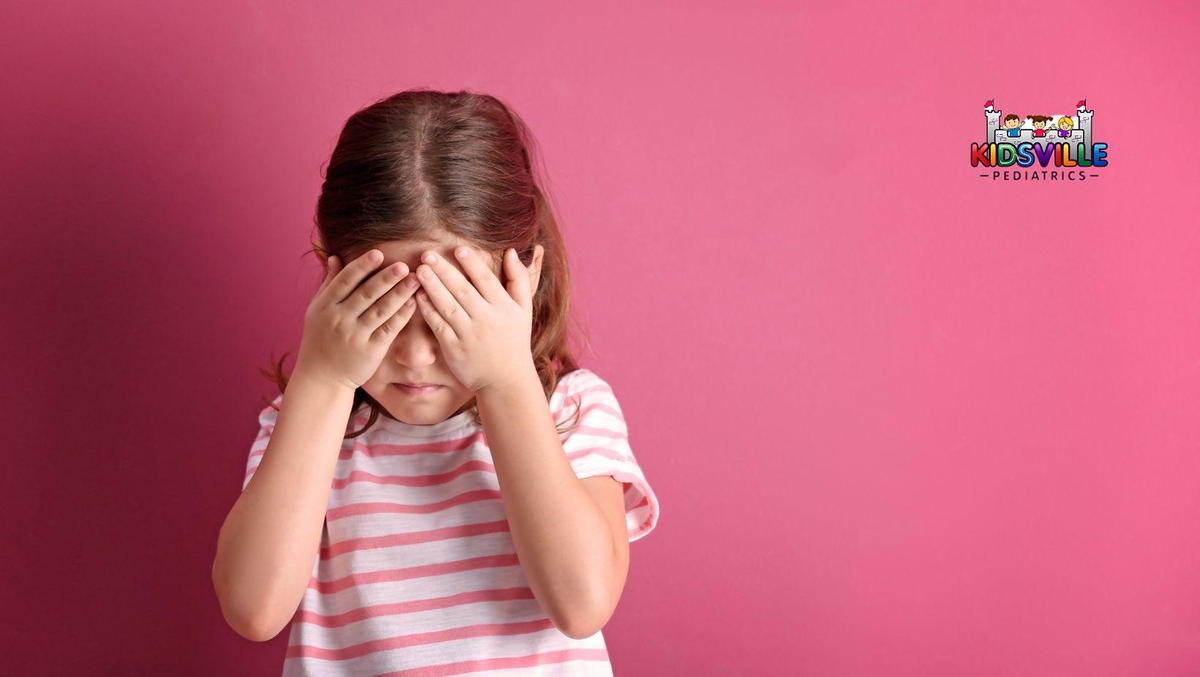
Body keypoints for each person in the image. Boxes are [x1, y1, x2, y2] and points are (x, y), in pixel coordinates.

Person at [212, 89, 661, 675]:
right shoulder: (307, 422)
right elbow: (253, 609)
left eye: (454, 316)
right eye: (388, 315)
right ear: (332, 280)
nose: (418, 357)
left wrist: (505, 382)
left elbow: (582, 605)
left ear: (522, 280)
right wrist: (322, 380)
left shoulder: (570, 410)